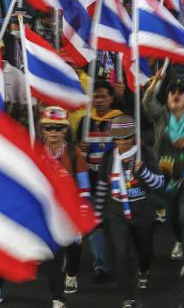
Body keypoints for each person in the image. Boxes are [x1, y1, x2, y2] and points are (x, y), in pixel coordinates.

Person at [93, 115, 165, 308]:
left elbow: (159, 183)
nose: (122, 142)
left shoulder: (145, 154)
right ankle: (128, 297)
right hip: (116, 212)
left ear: (134, 136)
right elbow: (102, 185)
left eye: (126, 137)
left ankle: (143, 270)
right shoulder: (109, 157)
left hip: (143, 211)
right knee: (121, 254)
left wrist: (143, 173)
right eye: (118, 138)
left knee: (145, 252)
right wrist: (98, 214)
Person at [142, 73, 184, 277]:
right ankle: (180, 241)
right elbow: (147, 103)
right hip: (164, 177)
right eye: (171, 92)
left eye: (181, 92)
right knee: (172, 217)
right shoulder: (161, 116)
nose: (176, 94)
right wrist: (155, 82)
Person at [38, 107, 90, 308]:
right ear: (42, 130)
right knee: (53, 255)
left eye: (58, 128)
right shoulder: (37, 153)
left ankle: (72, 273)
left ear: (65, 131)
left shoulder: (73, 152)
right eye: (49, 127)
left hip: (71, 211)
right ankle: (58, 297)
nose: (53, 131)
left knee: (73, 248)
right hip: (49, 212)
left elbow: (84, 186)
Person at [78, 78, 126, 282]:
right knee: (95, 223)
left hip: (114, 180)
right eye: (95, 96)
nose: (98, 100)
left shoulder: (120, 119)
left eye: (103, 96)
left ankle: (121, 261)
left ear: (111, 99)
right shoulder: (84, 121)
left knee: (115, 222)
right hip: (91, 179)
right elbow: (77, 150)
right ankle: (100, 265)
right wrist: (80, 149)